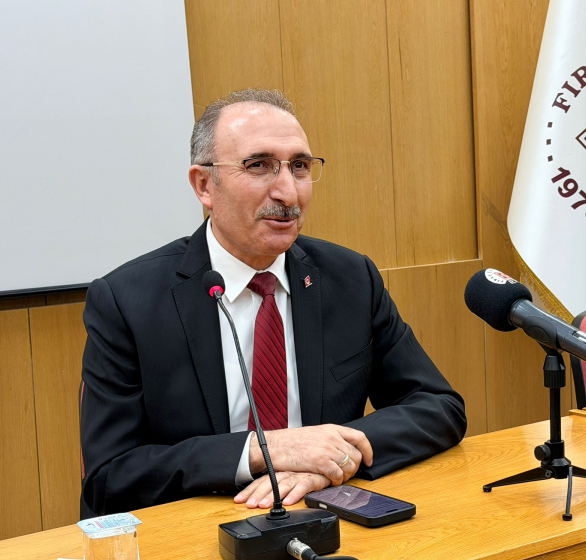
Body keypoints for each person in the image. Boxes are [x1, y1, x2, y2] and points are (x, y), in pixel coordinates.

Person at [79, 89, 467, 518]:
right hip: (198, 528)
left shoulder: (350, 278)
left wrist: (331, 460)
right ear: (204, 185)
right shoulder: (128, 300)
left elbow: (438, 407)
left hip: (323, 515)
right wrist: (264, 450)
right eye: (259, 165)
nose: (288, 193)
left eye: (299, 167)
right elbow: (109, 477)